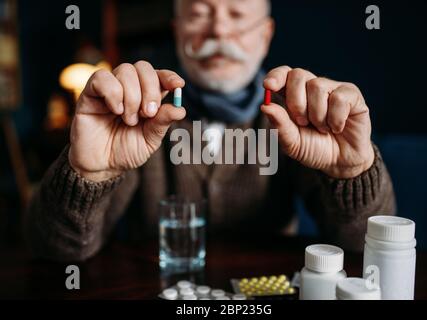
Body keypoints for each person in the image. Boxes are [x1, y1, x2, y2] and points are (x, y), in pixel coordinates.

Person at [25, 0, 395, 261]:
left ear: (265, 35)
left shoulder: (303, 119)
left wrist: (352, 176)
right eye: (199, 14)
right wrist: (86, 176)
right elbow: (56, 253)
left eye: (237, 14)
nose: (219, 29)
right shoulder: (133, 117)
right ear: (177, 30)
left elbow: (366, 251)